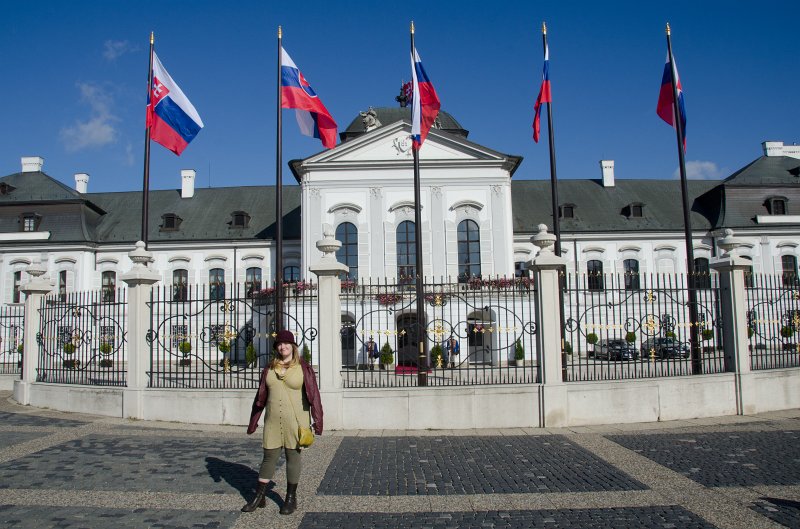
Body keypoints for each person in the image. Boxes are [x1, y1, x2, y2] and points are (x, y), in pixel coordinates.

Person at [243, 330, 323, 515]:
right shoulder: (269, 368)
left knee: (292, 457)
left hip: (296, 421)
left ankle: (290, 498)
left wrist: (318, 421)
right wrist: (253, 420)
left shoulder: (303, 367)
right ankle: (259, 496)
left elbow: (314, 395)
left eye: (286, 343)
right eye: (279, 344)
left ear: (293, 346)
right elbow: (260, 396)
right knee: (269, 456)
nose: (282, 346)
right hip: (272, 420)